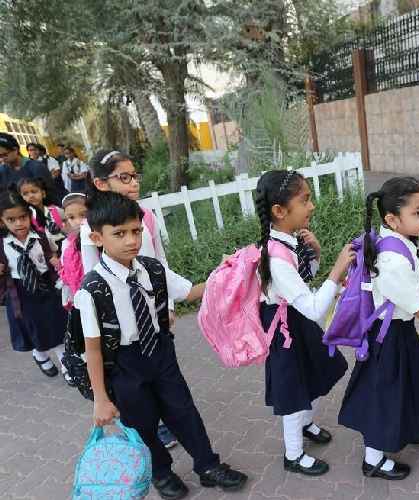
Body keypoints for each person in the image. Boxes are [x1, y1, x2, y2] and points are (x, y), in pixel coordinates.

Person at [79, 191, 248, 499]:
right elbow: (92, 348)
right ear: (97, 238)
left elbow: (190, 292)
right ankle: (160, 472)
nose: (131, 240)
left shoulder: (151, 269)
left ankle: (208, 465)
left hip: (160, 352)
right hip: (124, 364)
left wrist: (225, 271)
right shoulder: (92, 288)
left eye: (136, 231)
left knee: (183, 411)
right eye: (120, 233)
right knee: (141, 423)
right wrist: (100, 399)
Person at [338, 177, 419, 480]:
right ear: (392, 219)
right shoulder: (392, 261)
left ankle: (418, 427)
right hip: (388, 338)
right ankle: (372, 460)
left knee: (417, 380)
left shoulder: (397, 240)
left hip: (400, 331)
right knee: (384, 396)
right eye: (418, 212)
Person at [253, 169, 352, 476]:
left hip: (295, 320)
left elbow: (302, 281)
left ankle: (307, 424)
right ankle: (293, 455)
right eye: (304, 200)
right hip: (285, 329)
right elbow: (313, 308)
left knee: (313, 374)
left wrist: (316, 253)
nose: (311, 206)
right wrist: (336, 271)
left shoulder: (285, 242)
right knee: (293, 391)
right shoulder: (276, 257)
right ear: (280, 211)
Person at [79, 149, 179, 450]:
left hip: (152, 309)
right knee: (132, 381)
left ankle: (169, 418)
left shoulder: (147, 216)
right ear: (101, 183)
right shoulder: (91, 227)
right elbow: (91, 276)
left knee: (164, 370)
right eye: (124, 177)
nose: (134, 182)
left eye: (135, 175)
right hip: (120, 320)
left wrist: (168, 304)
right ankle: (149, 428)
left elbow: (160, 261)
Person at [0, 188, 67, 379]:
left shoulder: (40, 236)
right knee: (34, 328)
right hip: (21, 292)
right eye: (11, 219)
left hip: (45, 286)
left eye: (22, 217)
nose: (19, 223)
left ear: (29, 215)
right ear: (2, 221)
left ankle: (66, 362)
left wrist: (54, 260)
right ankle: (40, 355)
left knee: (56, 324)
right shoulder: (2, 244)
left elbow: (49, 254)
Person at [18, 177, 64, 249]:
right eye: (25, 194)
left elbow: (69, 230)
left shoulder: (56, 210)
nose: (31, 196)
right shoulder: (26, 218)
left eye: (34, 192)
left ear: (43, 193)